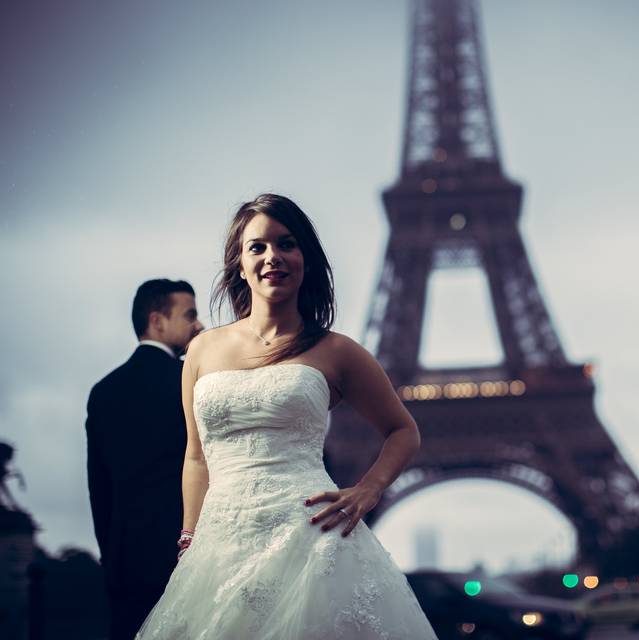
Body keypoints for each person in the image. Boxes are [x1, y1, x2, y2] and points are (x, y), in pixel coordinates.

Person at [136, 194, 437, 639]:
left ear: (306, 259)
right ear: (239, 263)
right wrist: (189, 538)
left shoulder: (338, 351)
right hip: (220, 547)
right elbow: (196, 457)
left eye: (287, 243)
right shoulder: (202, 349)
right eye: (257, 246)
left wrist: (368, 490)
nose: (272, 256)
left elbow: (403, 430)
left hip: (310, 541)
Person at [86, 279, 204, 639]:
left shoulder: (104, 391)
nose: (198, 324)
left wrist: (111, 552)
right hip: (186, 553)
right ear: (157, 321)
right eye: (190, 315)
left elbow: (99, 488)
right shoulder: (191, 380)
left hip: (126, 559)